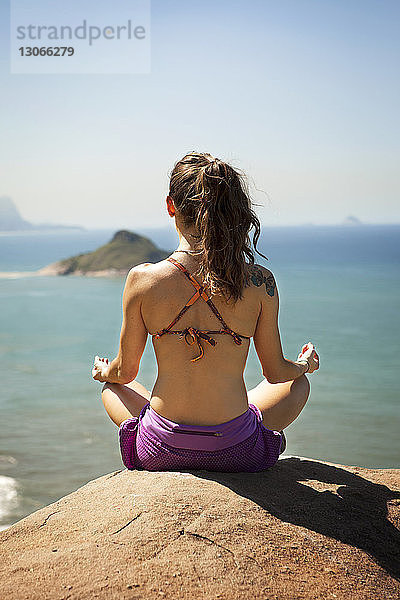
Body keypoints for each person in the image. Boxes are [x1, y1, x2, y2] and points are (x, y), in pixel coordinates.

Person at [92, 151, 320, 472]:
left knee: (112, 387)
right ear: (232, 212)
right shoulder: (259, 281)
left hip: (161, 450)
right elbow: (277, 374)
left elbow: (125, 373)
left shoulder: (142, 280)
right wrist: (304, 365)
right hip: (237, 450)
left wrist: (105, 372)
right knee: (298, 384)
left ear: (171, 206)